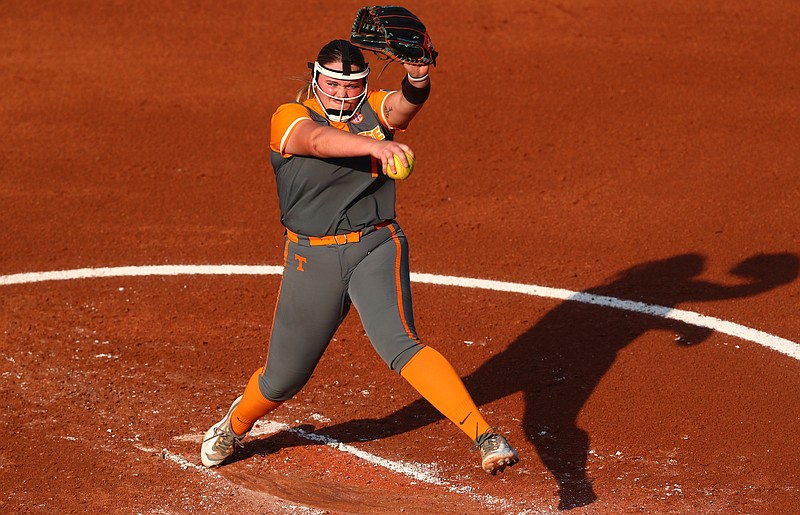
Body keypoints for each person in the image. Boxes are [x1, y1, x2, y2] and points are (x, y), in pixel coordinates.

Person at [201, 39, 519, 475]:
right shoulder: (290, 118)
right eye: (332, 84)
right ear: (315, 78)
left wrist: (418, 76)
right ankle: (234, 426)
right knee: (282, 379)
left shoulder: (373, 109)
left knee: (401, 344)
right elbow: (316, 141)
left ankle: (484, 435)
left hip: (376, 244)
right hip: (311, 260)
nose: (342, 94)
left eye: (352, 86)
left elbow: (403, 108)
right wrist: (375, 147)